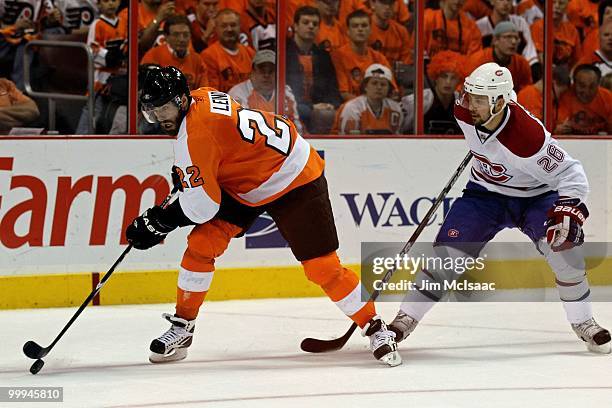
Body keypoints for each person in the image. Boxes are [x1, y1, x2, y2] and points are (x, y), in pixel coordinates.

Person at [125, 65, 402, 367]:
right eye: (152, 111)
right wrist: (194, 175)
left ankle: (375, 326)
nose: (160, 117)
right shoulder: (200, 98)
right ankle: (183, 327)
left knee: (322, 268)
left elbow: (203, 206)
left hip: (293, 175)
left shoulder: (195, 134)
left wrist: (159, 222)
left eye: (164, 108)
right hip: (247, 181)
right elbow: (219, 152)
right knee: (202, 245)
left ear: (180, 101)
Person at [388, 62, 611, 355]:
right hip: (484, 195)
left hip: (536, 196)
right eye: (470, 95)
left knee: (565, 253)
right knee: (447, 256)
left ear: (500, 102)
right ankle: (404, 320)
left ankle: (584, 322)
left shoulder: (528, 137)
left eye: (480, 99)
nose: (471, 104)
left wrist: (569, 208)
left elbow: (572, 174)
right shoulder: (463, 111)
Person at [286, 5, 341, 134]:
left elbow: (333, 88)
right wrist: (311, 107)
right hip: (291, 108)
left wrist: (331, 104)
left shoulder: (323, 56)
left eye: (315, 24)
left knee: (328, 114)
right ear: (295, 26)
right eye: (306, 22)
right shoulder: (283, 52)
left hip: (319, 112)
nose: (311, 26)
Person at [75, 0, 127, 134]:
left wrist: (122, 55)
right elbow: (92, 48)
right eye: (106, 1)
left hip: (118, 75)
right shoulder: (97, 24)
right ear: (98, 4)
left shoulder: (123, 22)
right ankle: (81, 136)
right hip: (99, 77)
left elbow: (127, 43)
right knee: (93, 109)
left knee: (113, 109)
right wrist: (108, 56)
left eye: (114, 0)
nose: (110, 4)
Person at [228, 49, 303, 133]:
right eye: (262, 71)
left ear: (277, 73)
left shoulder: (286, 93)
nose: (266, 75)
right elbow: (240, 130)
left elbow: (296, 128)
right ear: (252, 72)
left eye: (271, 71)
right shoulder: (237, 94)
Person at [331, 9, 391, 101]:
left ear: (371, 30)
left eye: (364, 25)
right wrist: (366, 105)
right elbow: (344, 93)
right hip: (350, 109)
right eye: (355, 26)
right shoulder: (337, 56)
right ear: (348, 31)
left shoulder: (379, 58)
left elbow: (390, 90)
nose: (360, 29)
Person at [401, 50, 464, 134]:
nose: (448, 82)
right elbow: (400, 129)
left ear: (459, 80)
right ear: (436, 77)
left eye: (453, 78)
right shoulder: (421, 100)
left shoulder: (462, 103)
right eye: (444, 76)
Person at [141, 14, 208, 90]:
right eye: (176, 35)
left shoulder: (197, 60)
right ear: (166, 36)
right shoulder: (153, 56)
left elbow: (204, 91)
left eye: (185, 35)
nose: (181, 39)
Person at [332, 63, 402, 134]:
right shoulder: (352, 108)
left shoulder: (395, 109)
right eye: (374, 83)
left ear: (389, 89)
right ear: (365, 86)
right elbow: (348, 141)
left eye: (383, 84)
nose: (379, 87)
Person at [467, 21, 533, 92]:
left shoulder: (522, 64)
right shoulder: (478, 60)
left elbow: (526, 91)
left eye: (516, 38)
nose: (513, 42)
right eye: (508, 37)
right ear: (495, 40)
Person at [200, 8, 255, 92]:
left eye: (233, 25)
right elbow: (212, 93)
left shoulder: (250, 53)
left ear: (240, 26)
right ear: (216, 28)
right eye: (224, 26)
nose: (229, 29)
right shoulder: (208, 56)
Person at [476, 0, 538, 67]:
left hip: (515, 69)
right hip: (487, 70)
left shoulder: (521, 23)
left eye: (509, 0)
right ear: (492, 1)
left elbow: (530, 55)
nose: (505, 3)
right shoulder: (479, 26)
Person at [555, 64, 612, 135]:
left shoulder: (608, 98)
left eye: (592, 86)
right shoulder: (564, 97)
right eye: (582, 85)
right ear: (574, 83)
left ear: (598, 85)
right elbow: (559, 128)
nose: (586, 91)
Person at [531, 0, 580, 66]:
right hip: (543, 72)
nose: (557, 6)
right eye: (553, 2)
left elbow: (576, 61)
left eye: (561, 3)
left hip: (565, 73)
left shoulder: (572, 30)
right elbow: (541, 58)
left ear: (567, 6)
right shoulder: (537, 26)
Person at [368, 0, 414, 66]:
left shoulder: (401, 32)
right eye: (383, 3)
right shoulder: (364, 30)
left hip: (394, 74)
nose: (387, 7)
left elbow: (406, 64)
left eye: (391, 3)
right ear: (372, 4)